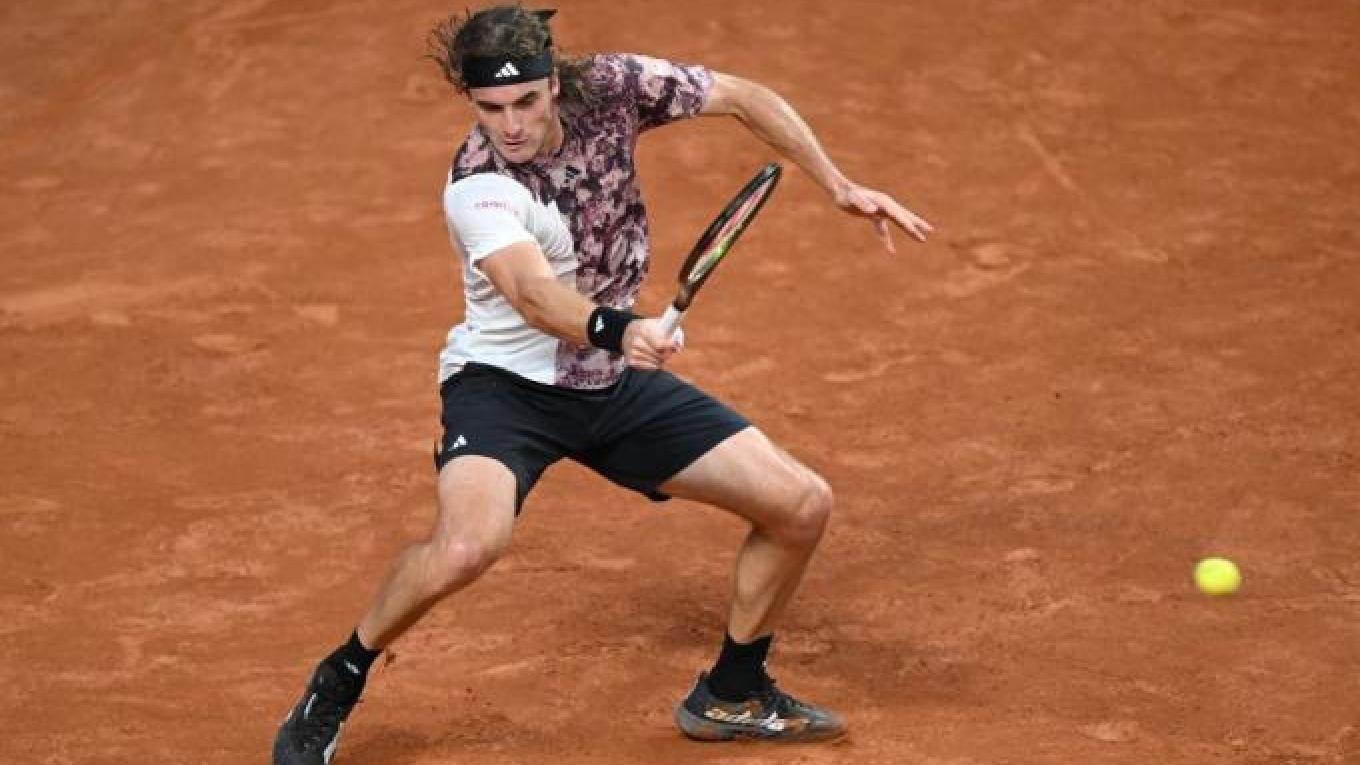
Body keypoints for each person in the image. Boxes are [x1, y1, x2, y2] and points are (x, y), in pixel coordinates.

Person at [273, 5, 931, 763]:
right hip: (505, 387)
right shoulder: (478, 184)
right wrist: (623, 329)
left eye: (525, 101)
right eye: (490, 108)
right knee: (467, 545)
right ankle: (339, 677)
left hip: (610, 385)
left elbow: (742, 96)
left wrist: (837, 183)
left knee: (801, 505)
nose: (510, 125)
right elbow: (532, 296)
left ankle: (732, 691)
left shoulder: (616, 86)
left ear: (555, 83)